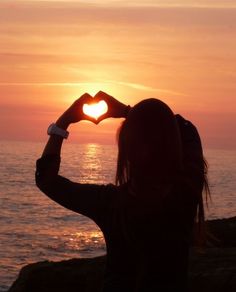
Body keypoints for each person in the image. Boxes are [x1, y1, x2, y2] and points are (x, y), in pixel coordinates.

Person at [35, 91, 209, 292]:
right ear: (173, 146)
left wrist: (64, 121)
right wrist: (127, 111)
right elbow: (186, 129)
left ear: (126, 149)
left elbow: (46, 180)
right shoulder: (185, 194)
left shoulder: (110, 204)